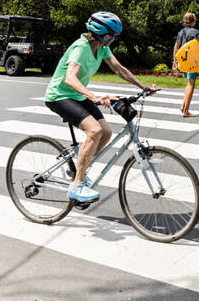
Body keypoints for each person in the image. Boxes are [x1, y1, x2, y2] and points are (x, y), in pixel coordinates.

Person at [44, 11, 156, 203]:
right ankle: (77, 184)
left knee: (105, 132)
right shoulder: (80, 47)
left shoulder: (102, 48)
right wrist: (94, 97)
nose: (114, 39)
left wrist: (142, 86)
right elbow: (69, 78)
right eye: (113, 36)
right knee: (94, 131)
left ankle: (78, 167)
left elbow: (119, 69)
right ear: (105, 35)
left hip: (77, 96)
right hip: (59, 96)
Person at [172, 12, 199, 117]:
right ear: (193, 21)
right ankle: (186, 111)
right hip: (192, 61)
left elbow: (176, 47)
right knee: (191, 84)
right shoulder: (196, 32)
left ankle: (183, 106)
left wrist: (175, 61)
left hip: (183, 61)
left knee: (188, 83)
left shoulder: (180, 32)